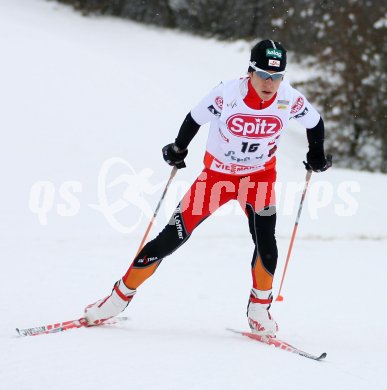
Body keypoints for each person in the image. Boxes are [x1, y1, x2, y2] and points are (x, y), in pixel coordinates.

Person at [84, 39, 331, 336]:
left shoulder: (288, 98)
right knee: (172, 237)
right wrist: (178, 148)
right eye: (263, 74)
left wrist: (316, 155)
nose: (270, 83)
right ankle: (117, 299)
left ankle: (259, 310)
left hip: (258, 180)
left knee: (266, 242)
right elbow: (194, 119)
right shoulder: (226, 93)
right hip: (217, 178)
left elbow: (315, 123)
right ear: (250, 71)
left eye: (276, 77)